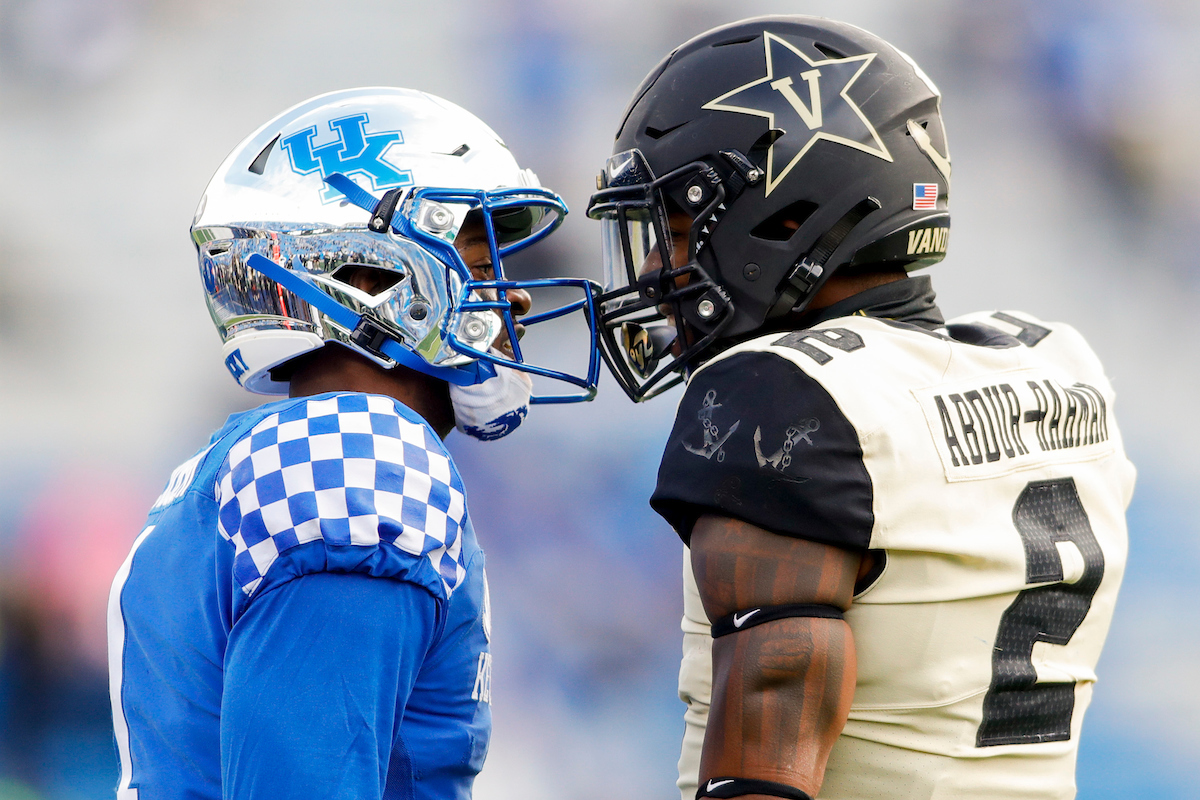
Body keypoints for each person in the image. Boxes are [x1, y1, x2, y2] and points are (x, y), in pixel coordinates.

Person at [587, 17, 1134, 800]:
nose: (653, 270)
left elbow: (765, 768)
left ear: (784, 217)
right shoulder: (1060, 368)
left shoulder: (784, 395)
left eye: (675, 229)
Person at [106, 87, 599, 800]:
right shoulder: (353, 452)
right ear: (367, 276)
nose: (514, 298)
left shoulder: (243, 459)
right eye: (479, 261)